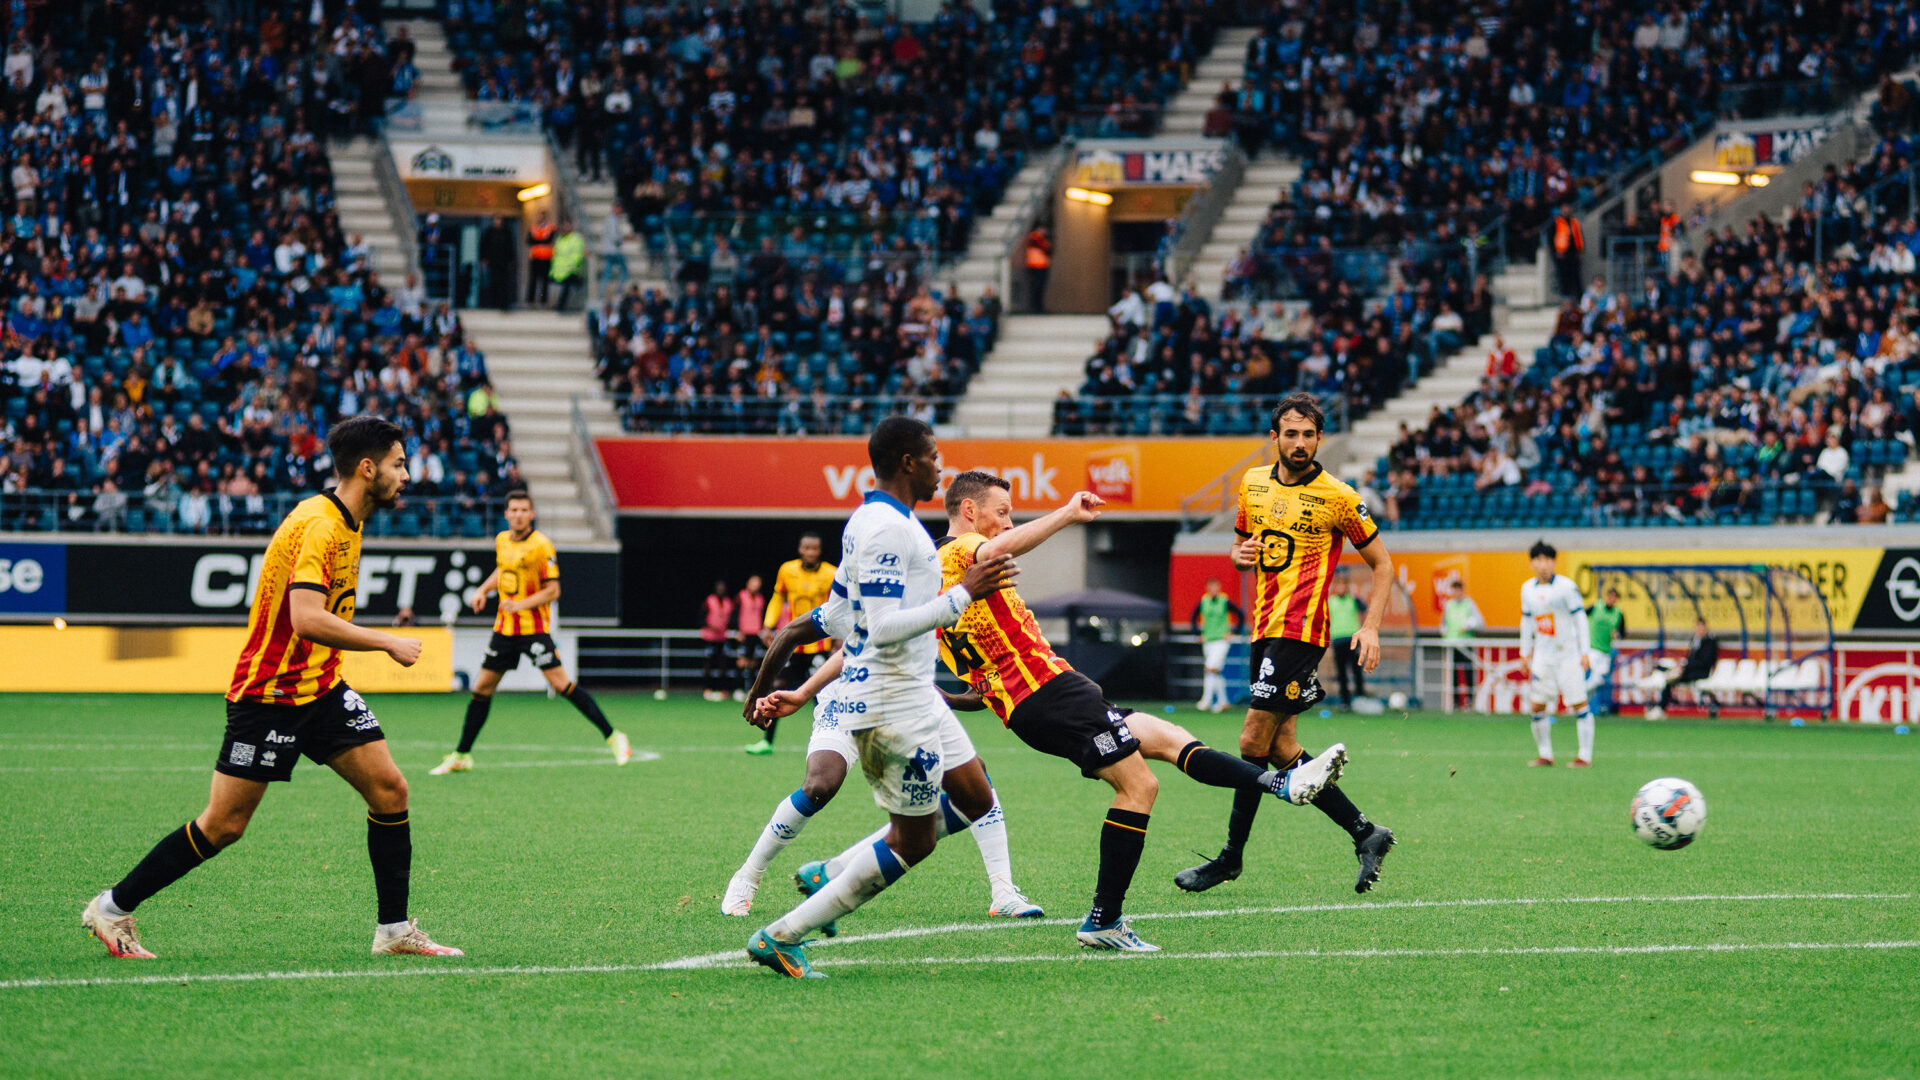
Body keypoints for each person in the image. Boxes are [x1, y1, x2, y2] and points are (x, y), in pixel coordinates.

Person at [81, 417, 461, 960]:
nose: (408, 474)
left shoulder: (348, 519)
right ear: (368, 467)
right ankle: (112, 907)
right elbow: (305, 618)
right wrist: (385, 642)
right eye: (400, 463)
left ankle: (394, 931)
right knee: (225, 825)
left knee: (390, 790)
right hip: (272, 694)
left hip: (321, 687)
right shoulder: (321, 526)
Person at [912, 470, 1330, 950]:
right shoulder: (957, 553)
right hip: (1051, 694)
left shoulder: (946, 580)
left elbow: (984, 671)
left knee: (1168, 736)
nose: (1008, 524)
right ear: (969, 511)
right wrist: (1069, 513)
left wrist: (960, 697)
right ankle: (1104, 919)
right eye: (1001, 512)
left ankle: (1280, 783)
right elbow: (996, 551)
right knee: (1139, 786)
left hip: (1047, 697)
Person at [744, 417, 1020, 978]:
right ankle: (782, 934)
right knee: (913, 842)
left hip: (916, 695)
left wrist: (778, 681)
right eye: (935, 457)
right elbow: (886, 625)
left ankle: (836, 870)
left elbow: (845, 612)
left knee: (976, 792)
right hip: (895, 702)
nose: (943, 469)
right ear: (908, 462)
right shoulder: (888, 531)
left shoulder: (876, 522)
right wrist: (965, 592)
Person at [1177, 393, 1398, 896]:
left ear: (1320, 439)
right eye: (1290, 433)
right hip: (1263, 627)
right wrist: (1240, 555)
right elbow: (1239, 550)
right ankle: (1366, 833)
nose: (1299, 443)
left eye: (1309, 434)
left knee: (1250, 742)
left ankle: (1230, 858)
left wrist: (1370, 625)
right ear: (1274, 438)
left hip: (1301, 631)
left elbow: (1383, 564)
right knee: (1280, 749)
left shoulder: (1339, 497)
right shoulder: (1252, 484)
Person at [727, 601, 1044, 924]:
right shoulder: (873, 596)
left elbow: (987, 688)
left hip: (905, 705)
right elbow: (795, 632)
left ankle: (1003, 892)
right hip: (846, 701)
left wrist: (950, 699)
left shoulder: (962, 616)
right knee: (819, 786)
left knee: (975, 776)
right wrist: (760, 692)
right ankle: (748, 876)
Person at [429, 491, 631, 773]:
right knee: (482, 688)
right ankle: (462, 754)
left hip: (533, 629)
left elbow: (553, 590)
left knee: (561, 685)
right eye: (514, 509)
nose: (519, 514)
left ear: (532, 514)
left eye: (524, 509)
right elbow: (502, 570)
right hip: (504, 629)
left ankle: (613, 736)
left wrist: (520, 604)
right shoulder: (501, 540)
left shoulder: (541, 546)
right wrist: (482, 590)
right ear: (507, 513)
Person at [749, 533, 836, 755]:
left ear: (820, 551)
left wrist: (838, 637)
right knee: (777, 689)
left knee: (823, 694)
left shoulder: (831, 573)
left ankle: (826, 741)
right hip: (793, 646)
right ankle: (766, 740)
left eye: (815, 548)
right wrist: (768, 625)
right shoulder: (787, 570)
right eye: (807, 548)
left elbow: (837, 607)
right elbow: (778, 598)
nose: (811, 552)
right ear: (800, 549)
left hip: (820, 645)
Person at [1519, 541, 1595, 767]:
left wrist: (1585, 651)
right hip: (1543, 656)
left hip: (1568, 655)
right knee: (1537, 706)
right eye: (1539, 560)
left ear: (1554, 562)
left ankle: (1585, 756)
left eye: (1548, 560)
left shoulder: (1566, 587)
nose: (1543, 565)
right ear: (1532, 563)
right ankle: (1545, 754)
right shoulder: (1527, 589)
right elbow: (1526, 621)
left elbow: (1580, 618)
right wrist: (1525, 651)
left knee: (1579, 704)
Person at [1190, 577, 1244, 712]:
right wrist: (1198, 634)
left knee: (1210, 668)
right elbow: (1193, 618)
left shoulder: (1224, 601)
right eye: (1211, 587)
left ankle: (1206, 700)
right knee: (1216, 672)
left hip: (1221, 640)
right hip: (1208, 640)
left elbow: (1240, 615)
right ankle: (1223, 701)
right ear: (1207, 588)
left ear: (1219, 588)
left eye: (1216, 587)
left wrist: (1234, 632)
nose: (1213, 590)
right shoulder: (1204, 601)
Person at [1647, 618, 1719, 721]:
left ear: (1706, 628)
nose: (1699, 630)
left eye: (1701, 627)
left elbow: (1705, 661)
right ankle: (1660, 708)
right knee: (1670, 678)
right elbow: (1690, 658)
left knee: (1673, 679)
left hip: (1702, 672)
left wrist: (1685, 667)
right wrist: (1683, 666)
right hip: (1690, 670)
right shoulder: (1694, 641)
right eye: (1697, 627)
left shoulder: (1710, 642)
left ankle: (1660, 708)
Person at [1439, 578, 1486, 710]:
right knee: (1453, 674)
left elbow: (1481, 622)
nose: (1457, 592)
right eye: (1454, 589)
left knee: (1468, 672)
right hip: (1452, 645)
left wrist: (1469, 626)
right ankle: (1455, 702)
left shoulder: (1469, 604)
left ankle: (1470, 702)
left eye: (1459, 589)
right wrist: (1444, 632)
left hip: (1466, 644)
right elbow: (1443, 625)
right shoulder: (1449, 605)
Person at [1327, 574, 1368, 706]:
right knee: (1341, 672)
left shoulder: (1352, 600)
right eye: (1339, 586)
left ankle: (1360, 697)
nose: (1341, 588)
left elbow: (1364, 608)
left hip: (1352, 639)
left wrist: (1356, 596)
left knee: (1356, 669)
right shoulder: (1331, 601)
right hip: (1338, 639)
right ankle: (1345, 701)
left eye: (1344, 586)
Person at [1586, 586, 1627, 715]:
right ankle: (1581, 701)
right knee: (1595, 678)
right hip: (1592, 648)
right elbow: (1580, 616)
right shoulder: (1596, 607)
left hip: (1605, 651)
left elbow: (1623, 633)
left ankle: (1581, 699)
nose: (1611, 599)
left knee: (1598, 680)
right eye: (1610, 596)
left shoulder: (1618, 614)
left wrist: (1617, 635)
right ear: (1606, 597)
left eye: (1614, 597)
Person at [700, 580, 736, 701]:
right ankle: (707, 689)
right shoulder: (709, 600)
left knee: (723, 665)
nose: (721, 589)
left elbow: (731, 619)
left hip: (722, 638)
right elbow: (701, 616)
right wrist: (709, 626)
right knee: (708, 664)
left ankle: (722, 690)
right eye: (718, 587)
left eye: (723, 588)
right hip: (709, 637)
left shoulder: (728, 602)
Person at [733, 574, 767, 701]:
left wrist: (764, 631)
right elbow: (735, 614)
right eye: (753, 583)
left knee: (754, 664)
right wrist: (737, 631)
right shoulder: (741, 596)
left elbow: (762, 616)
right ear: (748, 583)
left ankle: (751, 690)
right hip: (744, 634)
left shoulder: (760, 598)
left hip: (756, 634)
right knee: (741, 663)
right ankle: (738, 689)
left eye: (758, 584)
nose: (755, 586)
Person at [480, 216, 517, 310]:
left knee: (504, 283)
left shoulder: (506, 232)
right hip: (493, 262)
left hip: (503, 263)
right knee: (493, 283)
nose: (498, 222)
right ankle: (493, 303)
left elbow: (510, 247)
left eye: (499, 220)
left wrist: (511, 261)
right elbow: (483, 246)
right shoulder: (489, 232)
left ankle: (503, 304)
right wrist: (483, 259)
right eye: (496, 219)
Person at [550, 219, 586, 311]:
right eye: (565, 226)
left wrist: (571, 266)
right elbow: (556, 255)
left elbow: (577, 255)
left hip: (570, 270)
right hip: (559, 271)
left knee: (568, 288)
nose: (566, 228)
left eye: (568, 226)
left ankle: (562, 307)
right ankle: (558, 305)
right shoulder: (560, 239)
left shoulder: (575, 239)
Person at [525, 213, 556, 306]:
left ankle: (543, 301)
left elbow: (549, 240)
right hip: (535, 257)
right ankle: (530, 300)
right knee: (533, 279)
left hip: (546, 257)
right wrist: (542, 240)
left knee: (544, 280)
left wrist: (537, 240)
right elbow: (529, 240)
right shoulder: (533, 227)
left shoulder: (551, 227)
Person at [1023, 225, 1051, 313]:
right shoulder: (1035, 238)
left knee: (1040, 287)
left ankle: (1038, 306)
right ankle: (1035, 306)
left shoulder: (1040, 239)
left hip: (1041, 266)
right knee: (1036, 287)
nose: (1045, 231)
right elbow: (1046, 249)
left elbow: (1049, 250)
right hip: (1036, 266)